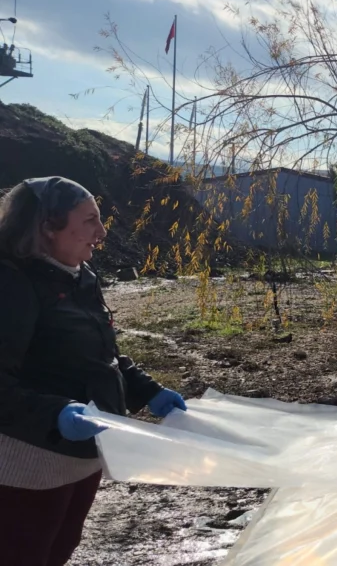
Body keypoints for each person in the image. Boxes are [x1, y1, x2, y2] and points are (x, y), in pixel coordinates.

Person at [0, 176, 187, 565]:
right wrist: (55, 413)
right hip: (30, 461)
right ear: (48, 227)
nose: (101, 233)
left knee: (59, 549)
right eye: (90, 221)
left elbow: (103, 356)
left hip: (84, 452)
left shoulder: (80, 276)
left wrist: (147, 390)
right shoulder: (11, 283)